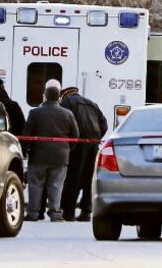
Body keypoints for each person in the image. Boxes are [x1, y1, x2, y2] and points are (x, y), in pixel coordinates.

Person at [23, 83, 79, 222]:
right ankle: (55, 213)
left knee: (35, 184)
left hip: (38, 156)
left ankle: (33, 213)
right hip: (60, 156)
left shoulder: (35, 113)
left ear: (45, 96)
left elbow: (27, 134)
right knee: (56, 184)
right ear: (59, 97)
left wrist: (25, 150)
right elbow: (75, 135)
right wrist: (67, 149)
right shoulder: (68, 114)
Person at [59, 86, 108, 222]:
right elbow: (104, 125)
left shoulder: (67, 102)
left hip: (77, 144)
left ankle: (69, 212)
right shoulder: (92, 104)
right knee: (89, 178)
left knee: (73, 177)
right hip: (93, 144)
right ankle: (86, 211)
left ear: (64, 94)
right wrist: (96, 137)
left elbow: (64, 123)